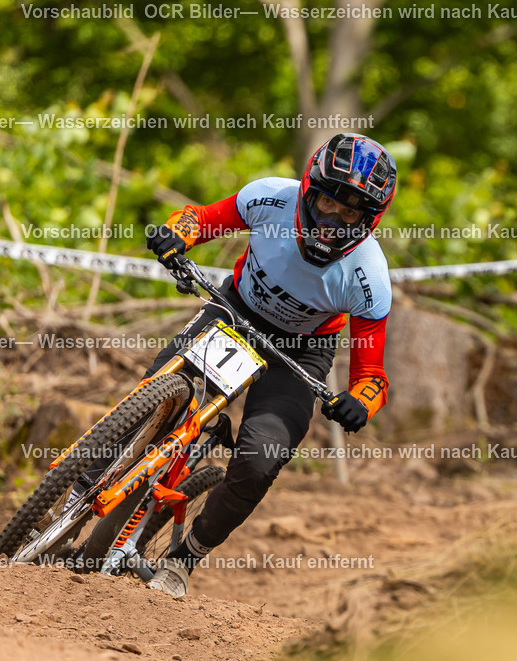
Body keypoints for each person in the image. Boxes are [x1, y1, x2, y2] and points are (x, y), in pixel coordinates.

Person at [143, 133, 396, 597]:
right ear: (306, 190)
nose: (332, 222)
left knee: (260, 462)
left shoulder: (369, 280)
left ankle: (182, 561)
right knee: (152, 396)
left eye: (350, 213)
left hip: (300, 352)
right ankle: (83, 485)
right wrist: (177, 234)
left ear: (369, 220)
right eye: (326, 204)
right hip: (235, 310)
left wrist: (360, 403)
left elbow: (370, 377)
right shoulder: (268, 197)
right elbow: (198, 219)